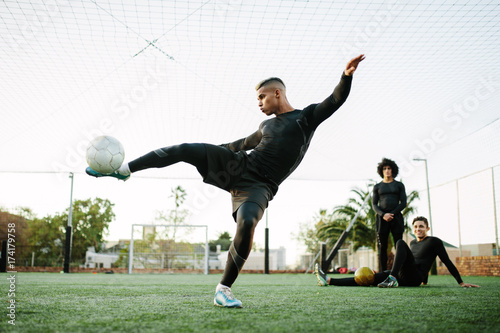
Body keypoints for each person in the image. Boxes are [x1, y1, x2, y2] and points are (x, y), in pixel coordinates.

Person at [86, 54, 366, 307]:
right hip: (239, 166)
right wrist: (212, 152)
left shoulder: (305, 118)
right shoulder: (266, 125)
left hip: (260, 186)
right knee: (186, 148)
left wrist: (346, 76)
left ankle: (223, 289)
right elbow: (241, 144)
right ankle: (125, 169)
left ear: (277, 93)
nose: (258, 102)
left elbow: (335, 100)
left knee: (247, 222)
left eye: (262, 97)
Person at [315, 216, 480, 288]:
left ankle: (391, 279)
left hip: (412, 277)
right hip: (404, 274)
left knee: (400, 242)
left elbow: (446, 261)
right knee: (368, 278)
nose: (418, 229)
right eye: (416, 227)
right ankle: (328, 280)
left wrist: (460, 281)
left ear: (427, 228)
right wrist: (426, 281)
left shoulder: (434, 241)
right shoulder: (414, 242)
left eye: (421, 226)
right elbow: (419, 259)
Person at [372, 157, 407, 272]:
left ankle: (401, 272)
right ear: (381, 171)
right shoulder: (377, 187)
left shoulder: (399, 185)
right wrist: (383, 215)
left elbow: (403, 203)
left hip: (396, 217)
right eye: (385, 169)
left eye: (389, 168)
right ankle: (382, 273)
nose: (387, 171)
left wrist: (391, 214)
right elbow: (374, 205)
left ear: (393, 170)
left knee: (399, 245)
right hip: (382, 219)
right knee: (382, 247)